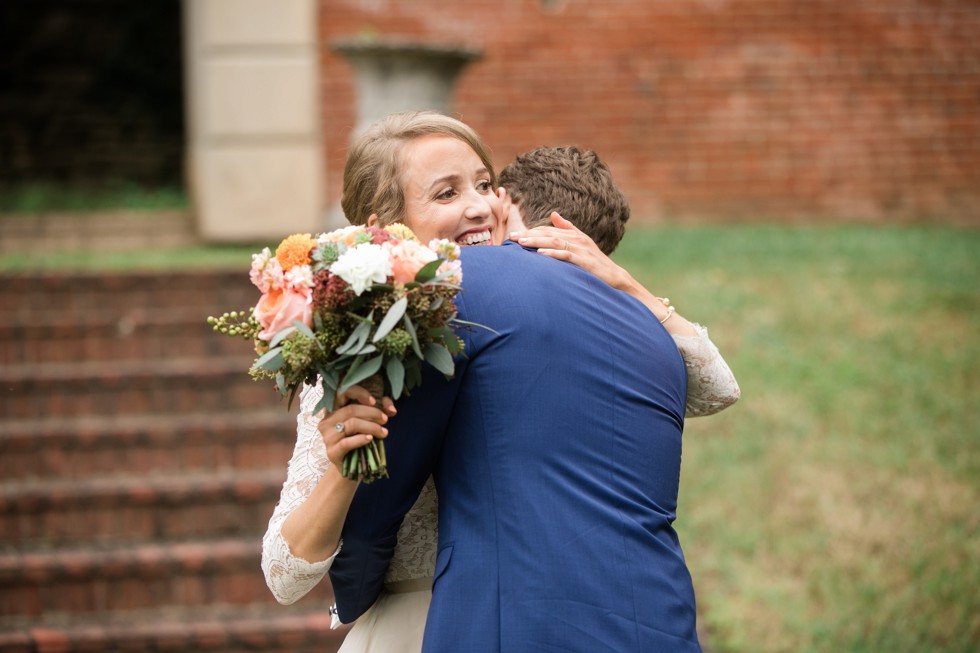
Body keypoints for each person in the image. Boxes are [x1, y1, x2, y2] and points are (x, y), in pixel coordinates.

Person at [260, 112, 737, 651]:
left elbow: (716, 386)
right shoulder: (360, 354)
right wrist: (345, 470)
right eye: (446, 193)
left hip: (529, 620)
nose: (482, 205)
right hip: (412, 628)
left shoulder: (520, 318)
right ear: (384, 232)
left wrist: (627, 285)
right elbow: (283, 574)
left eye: (484, 184)